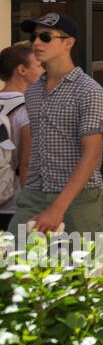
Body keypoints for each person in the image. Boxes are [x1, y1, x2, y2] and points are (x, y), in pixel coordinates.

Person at [7, 13, 103, 241]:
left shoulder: (89, 91)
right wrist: (27, 191)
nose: (36, 43)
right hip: (34, 194)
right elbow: (33, 147)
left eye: (45, 37)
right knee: (15, 264)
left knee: (87, 271)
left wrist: (57, 209)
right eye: (34, 37)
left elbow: (92, 154)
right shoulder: (32, 91)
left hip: (79, 197)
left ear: (68, 43)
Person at [0, 43, 41, 233]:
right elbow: (26, 163)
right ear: (22, 69)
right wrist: (30, 206)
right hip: (13, 203)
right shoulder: (27, 108)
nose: (43, 70)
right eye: (39, 65)